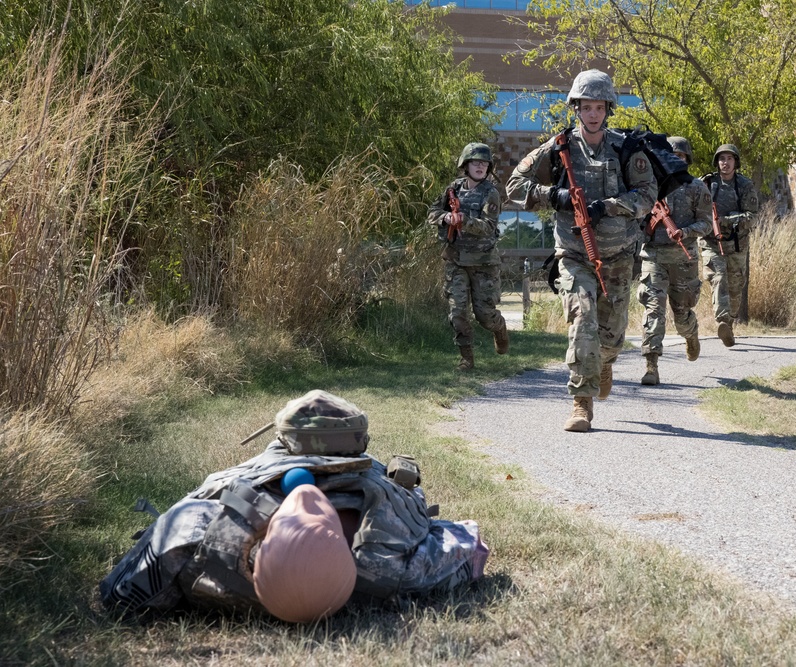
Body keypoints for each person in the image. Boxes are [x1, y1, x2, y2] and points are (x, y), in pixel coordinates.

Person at [100, 391, 489, 618]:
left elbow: (121, 595)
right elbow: (469, 548)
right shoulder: (389, 542)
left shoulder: (208, 525)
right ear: (359, 441)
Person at [506, 69, 657, 432]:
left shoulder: (626, 149)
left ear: (608, 109)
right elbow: (514, 185)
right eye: (586, 107)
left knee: (612, 336)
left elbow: (648, 195)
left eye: (599, 107)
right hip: (574, 254)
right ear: (576, 108)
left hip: (618, 256)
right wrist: (552, 195)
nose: (592, 114)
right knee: (581, 320)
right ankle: (581, 402)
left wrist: (608, 206)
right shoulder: (558, 148)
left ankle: (604, 363)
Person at [637, 137, 712, 385]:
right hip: (653, 256)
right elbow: (634, 220)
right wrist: (644, 230)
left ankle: (691, 335)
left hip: (683, 258)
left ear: (686, 160)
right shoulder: (648, 187)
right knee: (653, 310)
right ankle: (651, 365)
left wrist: (686, 232)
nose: (675, 161)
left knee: (681, 315)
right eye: (670, 156)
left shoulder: (696, 187)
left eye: (679, 157)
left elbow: (706, 224)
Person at [428, 143, 508, 371]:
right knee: (457, 313)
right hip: (456, 261)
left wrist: (464, 220)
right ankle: (467, 359)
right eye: (476, 162)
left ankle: (499, 328)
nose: (480, 166)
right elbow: (432, 213)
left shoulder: (490, 193)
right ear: (466, 165)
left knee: (485, 316)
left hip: (484, 262)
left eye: (484, 163)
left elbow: (489, 226)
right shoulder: (453, 189)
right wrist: (446, 219)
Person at [700, 144, 759, 347]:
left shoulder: (744, 185)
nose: (725, 163)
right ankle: (722, 320)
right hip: (711, 242)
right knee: (719, 277)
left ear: (736, 162)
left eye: (729, 159)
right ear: (717, 162)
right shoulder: (706, 183)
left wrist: (727, 220)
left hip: (736, 243)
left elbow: (752, 216)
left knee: (735, 288)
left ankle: (730, 323)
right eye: (722, 159)